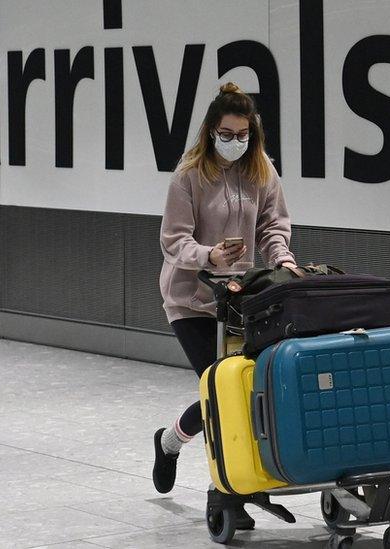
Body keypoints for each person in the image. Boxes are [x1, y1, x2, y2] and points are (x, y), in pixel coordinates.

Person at [153, 82, 297, 498]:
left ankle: (230, 471)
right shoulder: (188, 176)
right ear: (211, 132)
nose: (235, 142)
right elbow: (173, 241)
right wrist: (209, 256)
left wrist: (282, 259)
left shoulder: (262, 170)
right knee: (220, 390)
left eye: (243, 135)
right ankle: (188, 457)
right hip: (190, 299)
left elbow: (272, 226)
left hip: (239, 299)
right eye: (227, 135)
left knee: (246, 387)